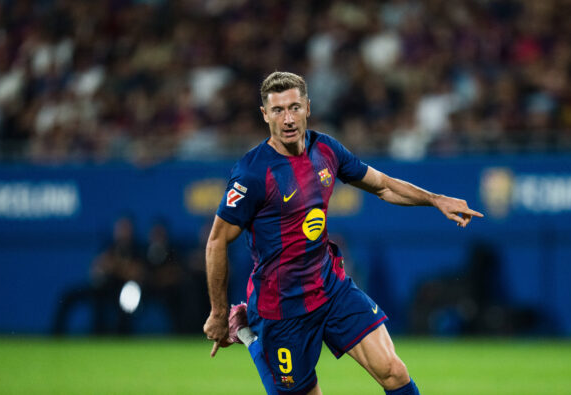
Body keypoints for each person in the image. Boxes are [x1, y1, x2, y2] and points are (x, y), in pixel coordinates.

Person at [203, 71, 483, 395]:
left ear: (308, 108)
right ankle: (251, 335)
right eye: (278, 110)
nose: (288, 118)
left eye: (294, 107)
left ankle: (252, 333)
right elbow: (216, 241)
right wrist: (218, 313)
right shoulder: (252, 173)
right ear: (265, 114)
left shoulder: (325, 149)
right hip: (282, 307)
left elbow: (383, 186)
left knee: (393, 371)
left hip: (330, 288)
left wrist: (435, 199)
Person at [53, 215, 145, 335]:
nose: (122, 233)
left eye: (126, 228)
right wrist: (107, 268)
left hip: (125, 289)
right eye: (120, 228)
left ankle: (122, 336)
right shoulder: (108, 246)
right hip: (105, 287)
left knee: (125, 301)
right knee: (71, 296)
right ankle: (56, 335)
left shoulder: (137, 249)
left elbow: (138, 273)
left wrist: (117, 267)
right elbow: (96, 269)